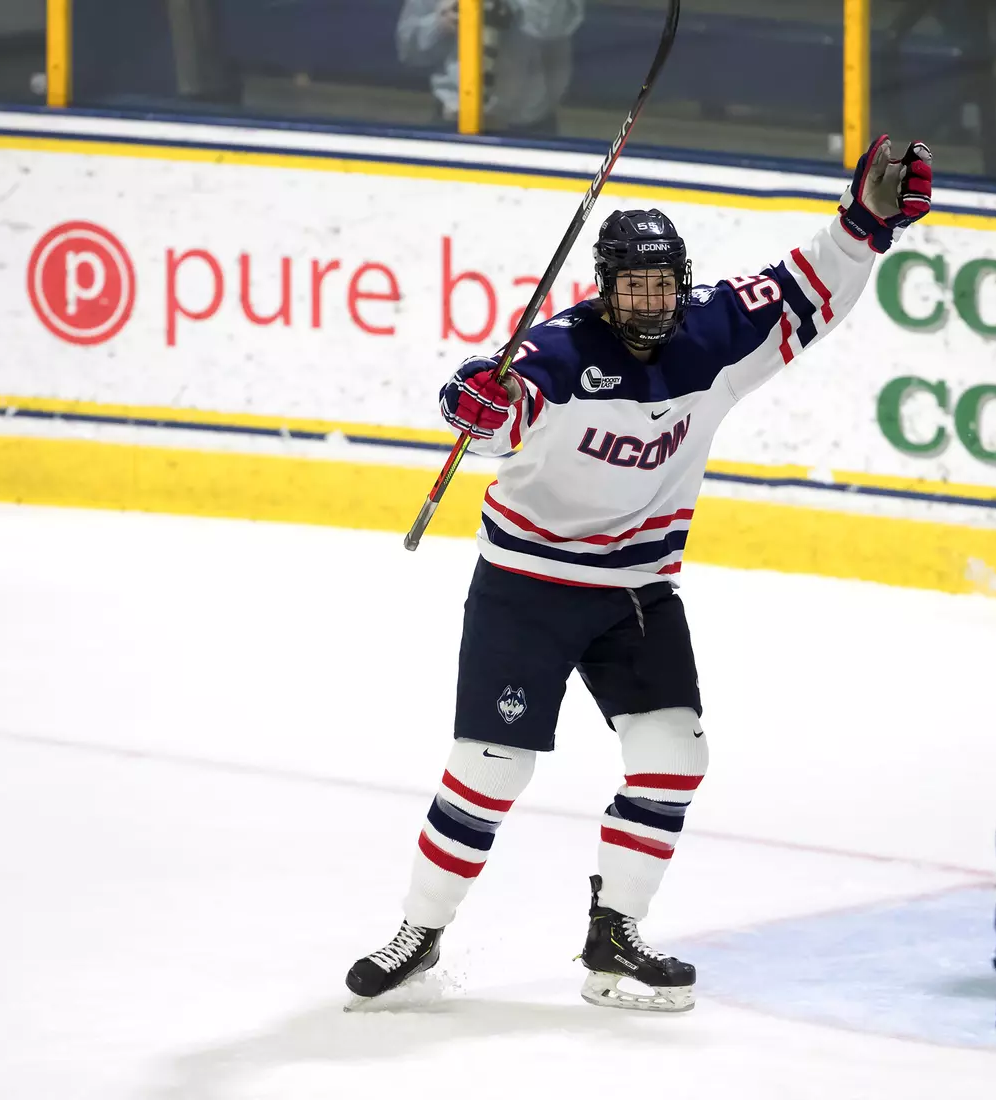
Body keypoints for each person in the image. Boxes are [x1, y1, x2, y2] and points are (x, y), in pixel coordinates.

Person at [345, 136, 933, 1011]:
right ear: (605, 287)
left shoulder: (714, 335)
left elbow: (808, 284)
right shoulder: (552, 352)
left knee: (674, 757)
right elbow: (505, 411)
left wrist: (866, 223)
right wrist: (472, 401)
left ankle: (613, 936)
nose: (652, 302)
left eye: (665, 285)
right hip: (528, 588)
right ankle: (419, 931)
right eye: (635, 286)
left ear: (682, 283)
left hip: (637, 591)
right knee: (492, 767)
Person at [396, 0, 583, 132]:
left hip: (529, 130)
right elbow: (408, 49)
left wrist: (510, 8)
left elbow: (558, 24)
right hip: (452, 121)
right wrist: (439, 24)